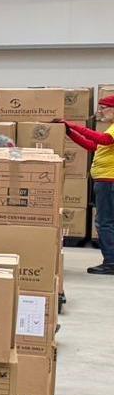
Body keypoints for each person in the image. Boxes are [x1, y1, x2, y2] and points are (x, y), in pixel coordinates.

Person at [64, 96, 114, 273]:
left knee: (105, 223)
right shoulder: (110, 128)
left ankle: (110, 263)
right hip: (106, 182)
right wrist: (69, 132)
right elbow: (92, 145)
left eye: (104, 108)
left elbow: (103, 140)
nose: (100, 112)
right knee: (107, 222)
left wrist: (74, 125)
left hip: (109, 183)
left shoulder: (112, 131)